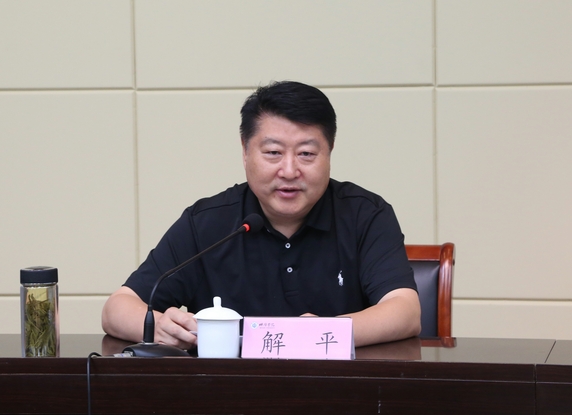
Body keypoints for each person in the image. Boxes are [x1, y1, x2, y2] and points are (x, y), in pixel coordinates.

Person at [101, 81, 421, 349]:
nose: (289, 170)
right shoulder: (207, 223)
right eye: (273, 153)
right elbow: (117, 307)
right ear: (245, 151)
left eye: (307, 153)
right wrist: (158, 326)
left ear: (330, 152)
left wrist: (325, 333)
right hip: (228, 393)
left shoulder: (365, 215)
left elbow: (405, 311)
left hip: (337, 390)